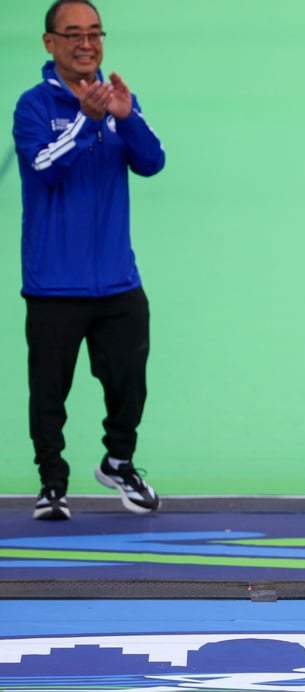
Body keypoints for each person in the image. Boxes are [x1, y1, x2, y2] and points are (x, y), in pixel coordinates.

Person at [13, 0, 165, 520]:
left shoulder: (119, 99)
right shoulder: (32, 107)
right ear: (50, 43)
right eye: (73, 33)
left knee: (130, 383)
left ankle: (118, 463)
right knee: (49, 394)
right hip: (54, 285)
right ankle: (52, 483)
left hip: (118, 282)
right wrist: (86, 121)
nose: (86, 43)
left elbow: (152, 162)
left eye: (95, 33)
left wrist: (127, 118)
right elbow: (43, 166)